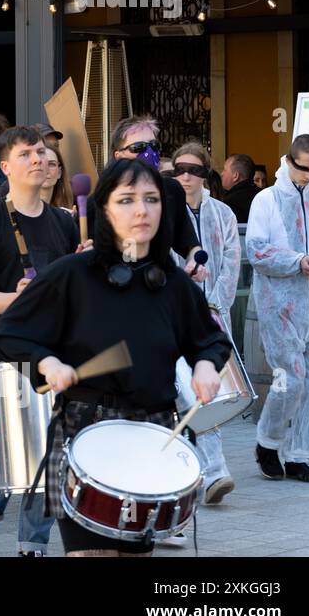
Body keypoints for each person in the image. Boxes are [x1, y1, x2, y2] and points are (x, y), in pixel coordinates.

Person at [0, 157, 228, 557]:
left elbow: (209, 340)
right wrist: (48, 363)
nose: (142, 210)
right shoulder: (73, 274)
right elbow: (10, 332)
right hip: (84, 433)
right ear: (104, 209)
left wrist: (206, 365)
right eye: (127, 200)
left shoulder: (171, 283)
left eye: (152, 199)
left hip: (153, 433)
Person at [0, 126, 80, 554]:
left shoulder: (63, 222)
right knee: (5, 460)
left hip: (49, 358)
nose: (39, 159)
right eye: (28, 153)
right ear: (6, 166)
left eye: (43, 152)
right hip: (0, 355)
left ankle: (33, 545)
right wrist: (18, 300)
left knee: (49, 461)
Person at [248, 135, 309, 484]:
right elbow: (257, 251)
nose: (307, 176)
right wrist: (298, 261)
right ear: (288, 160)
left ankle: (299, 455)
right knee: (290, 380)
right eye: (302, 168)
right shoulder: (265, 201)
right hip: (279, 307)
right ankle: (268, 443)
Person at [169, 142, 241, 504]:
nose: (186, 176)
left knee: (205, 394)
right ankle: (211, 470)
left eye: (194, 170)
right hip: (175, 319)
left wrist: (215, 304)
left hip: (212, 317)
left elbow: (231, 260)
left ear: (205, 174)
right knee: (189, 395)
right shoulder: (164, 212)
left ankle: (208, 471)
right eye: (179, 169)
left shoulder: (224, 214)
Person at [103, 115, 206, 277]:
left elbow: (189, 243)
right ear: (118, 155)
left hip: (158, 283)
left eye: (153, 145)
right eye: (138, 147)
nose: (148, 152)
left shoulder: (171, 190)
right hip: (115, 285)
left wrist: (195, 262)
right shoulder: (104, 194)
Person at [219, 153, 260, 224]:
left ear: (236, 176)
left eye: (225, 170)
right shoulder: (262, 196)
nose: (221, 174)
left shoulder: (230, 203)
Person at [42, 143, 75, 212]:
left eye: (51, 164)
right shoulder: (16, 213)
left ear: (59, 172)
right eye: (41, 164)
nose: (46, 170)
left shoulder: (66, 215)